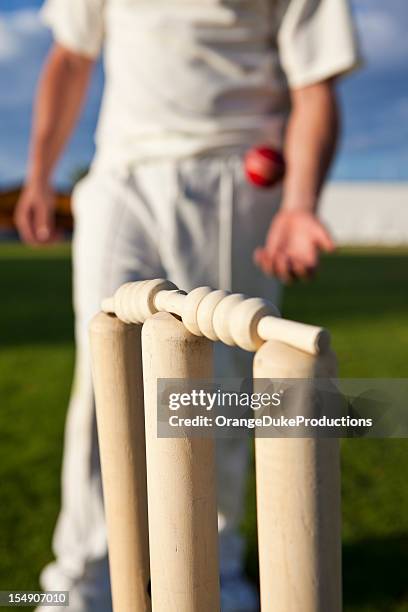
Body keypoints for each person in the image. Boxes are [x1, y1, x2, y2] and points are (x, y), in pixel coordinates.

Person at [15, 1, 359, 610]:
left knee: (218, 388)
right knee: (104, 373)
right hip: (121, 173)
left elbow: (314, 83)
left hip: (233, 176)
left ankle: (218, 566)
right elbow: (70, 55)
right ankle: (85, 575)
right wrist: (39, 174)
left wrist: (299, 202)